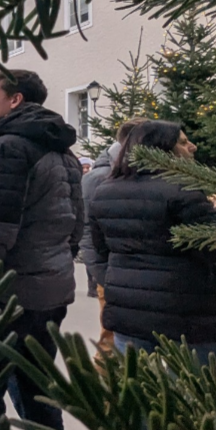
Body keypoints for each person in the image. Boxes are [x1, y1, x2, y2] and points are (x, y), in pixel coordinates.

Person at [0, 69, 84, 430]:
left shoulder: (9, 149)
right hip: (51, 291)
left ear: (15, 100)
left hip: (7, 295)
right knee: (39, 387)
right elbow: (76, 226)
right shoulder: (63, 153)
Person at [88, 120, 216, 367]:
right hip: (186, 316)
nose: (193, 147)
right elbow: (215, 248)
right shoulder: (184, 190)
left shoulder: (105, 190)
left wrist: (115, 283)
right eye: (183, 143)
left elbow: (99, 251)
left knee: (135, 393)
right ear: (163, 149)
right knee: (191, 397)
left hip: (128, 316)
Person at [79, 119, 143, 352]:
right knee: (112, 340)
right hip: (112, 273)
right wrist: (102, 274)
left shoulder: (131, 170)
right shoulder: (99, 177)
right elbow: (87, 229)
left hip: (127, 272)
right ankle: (102, 386)